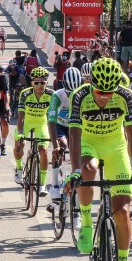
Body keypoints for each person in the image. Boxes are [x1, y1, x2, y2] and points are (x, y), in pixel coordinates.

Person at [66, 57, 132, 261]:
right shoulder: (79, 96)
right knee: (87, 169)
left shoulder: (125, 95)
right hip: (89, 143)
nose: (104, 97)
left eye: (109, 93)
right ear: (92, 85)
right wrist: (76, 170)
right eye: (100, 92)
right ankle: (87, 222)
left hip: (116, 148)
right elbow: (74, 136)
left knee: (122, 212)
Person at [47, 67, 82, 211]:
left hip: (77, 126)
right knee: (62, 145)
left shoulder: (83, 95)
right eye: (69, 92)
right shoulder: (57, 96)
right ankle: (55, 185)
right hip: (60, 126)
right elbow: (51, 121)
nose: (71, 95)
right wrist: (55, 144)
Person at [14, 66, 53, 191]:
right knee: (19, 143)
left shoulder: (51, 95)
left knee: (43, 151)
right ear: (32, 83)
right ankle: (19, 169)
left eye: (43, 83)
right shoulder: (25, 94)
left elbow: (53, 117)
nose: (40, 85)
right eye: (36, 83)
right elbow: (20, 116)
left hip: (41, 123)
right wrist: (20, 133)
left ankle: (42, 184)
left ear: (47, 82)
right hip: (27, 122)